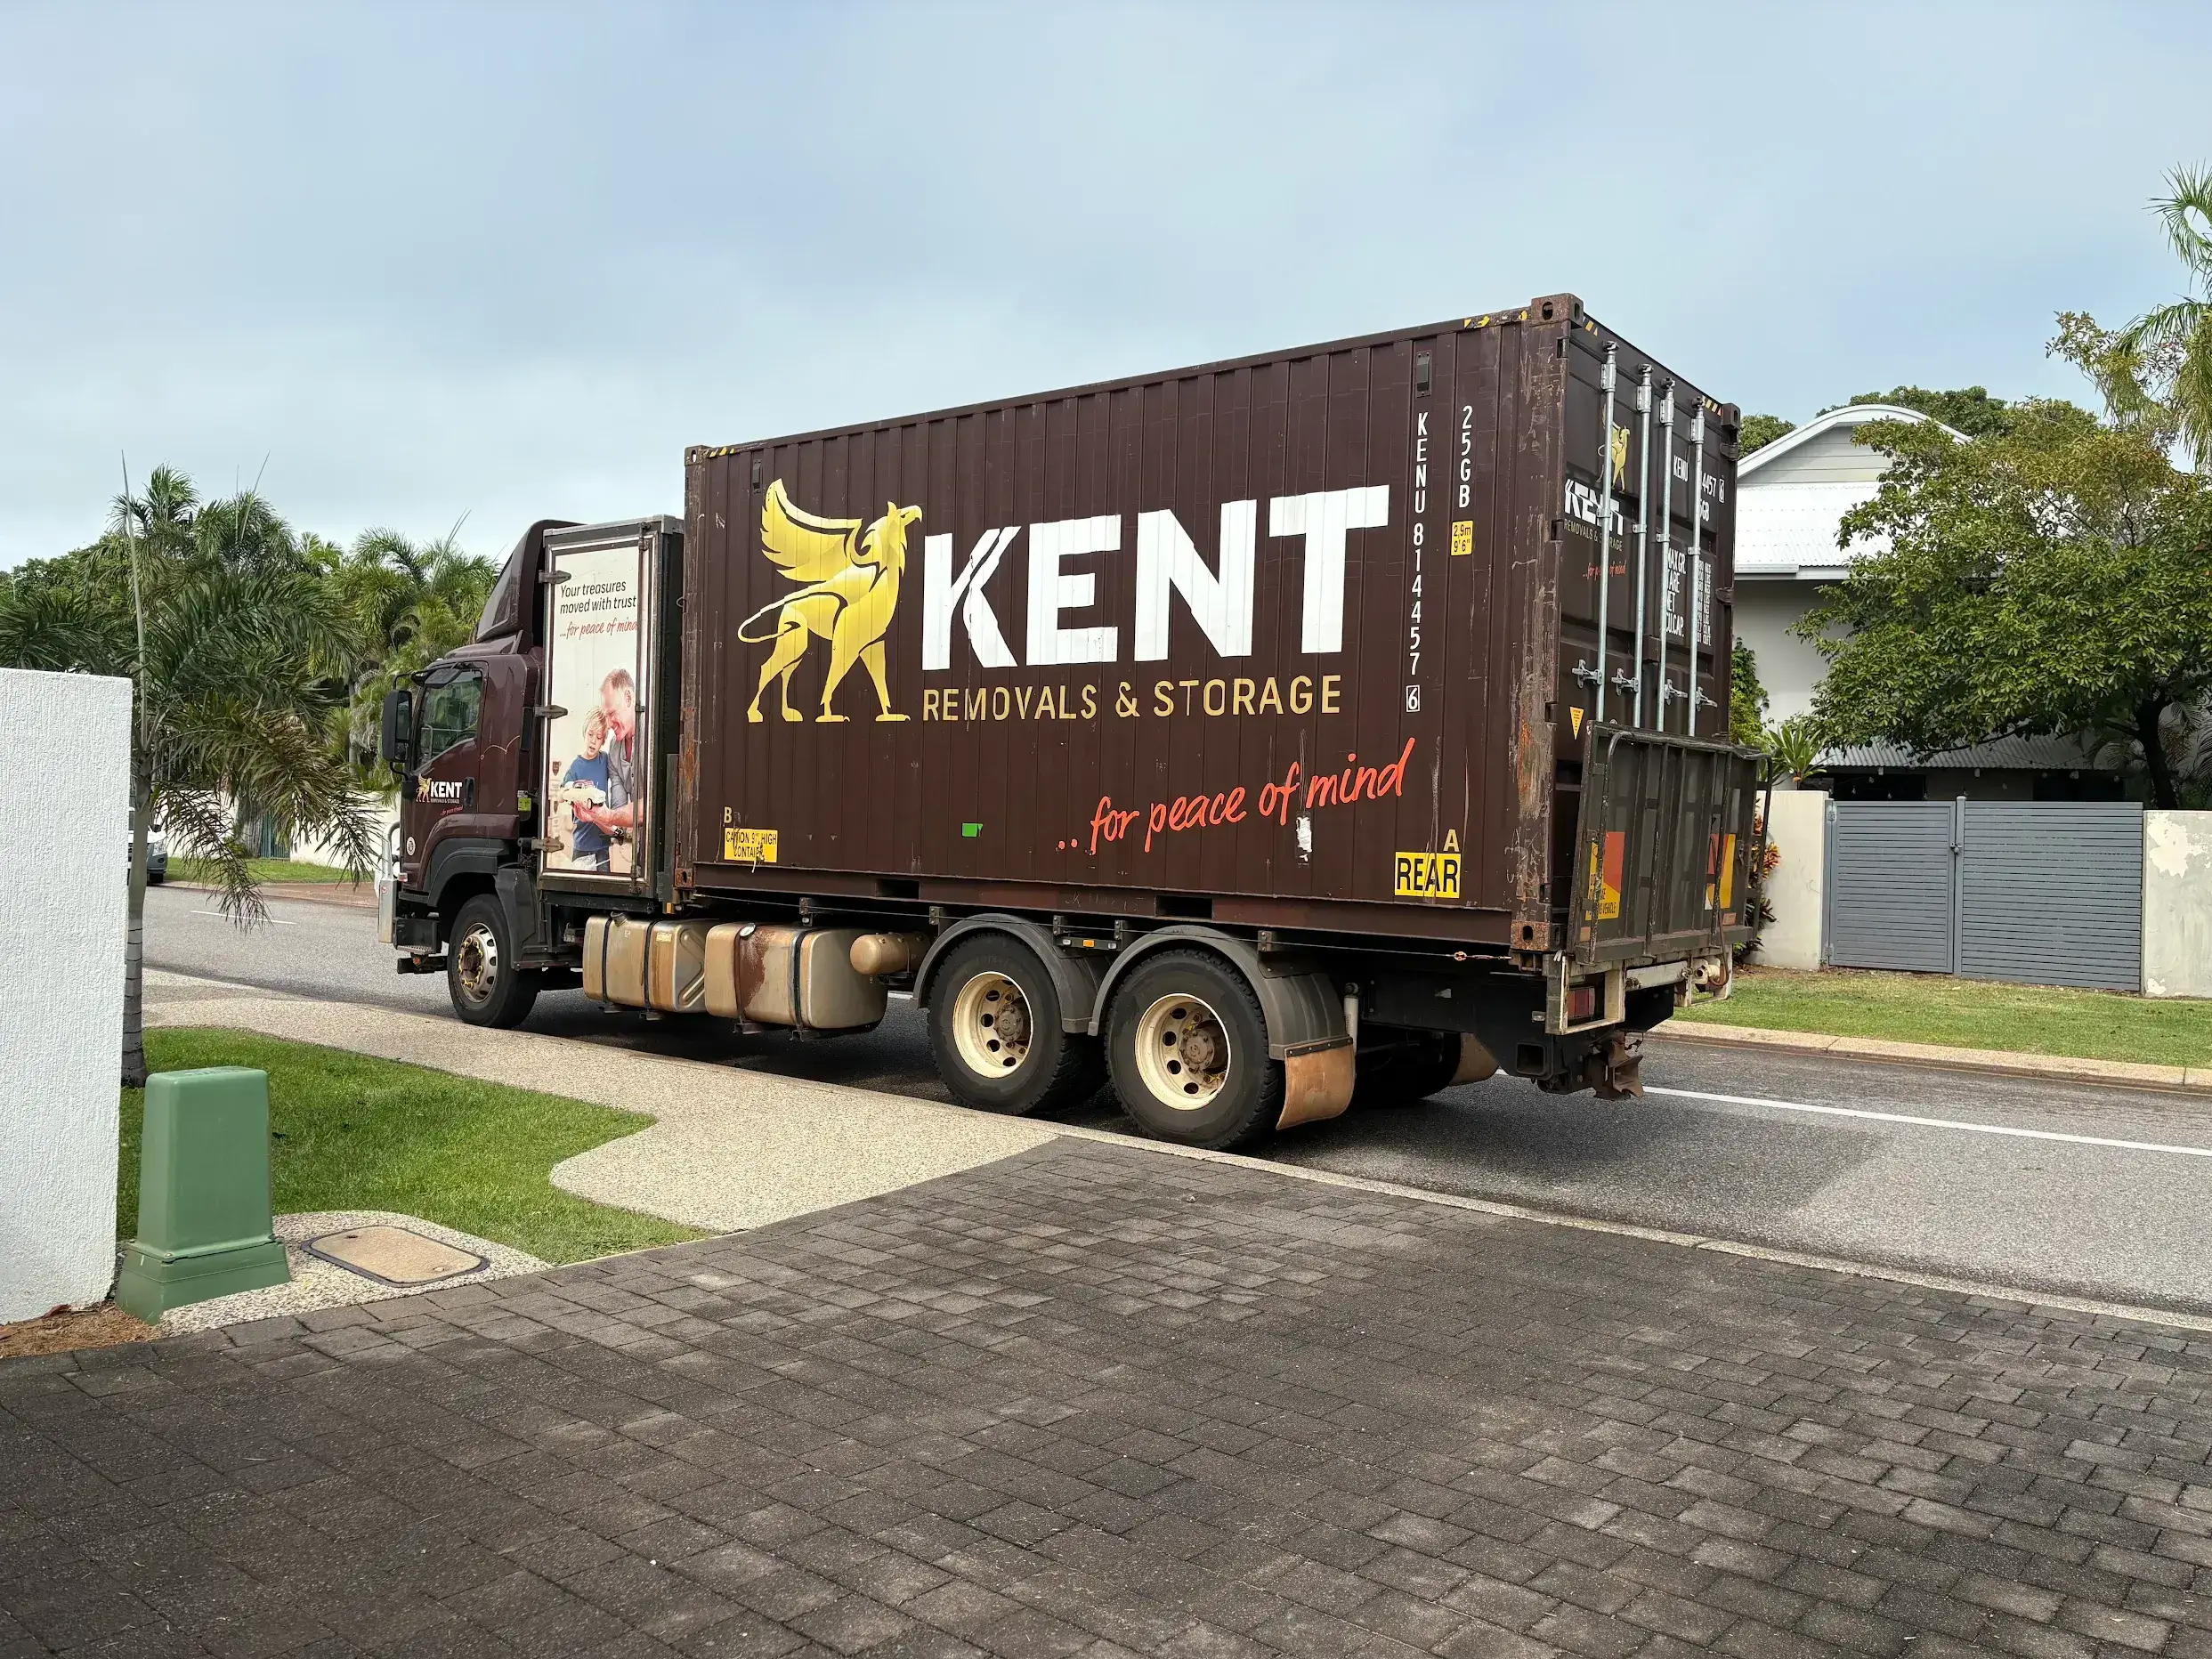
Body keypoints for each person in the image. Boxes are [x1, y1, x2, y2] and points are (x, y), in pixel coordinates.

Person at [573, 668, 638, 848]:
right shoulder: (614, 749)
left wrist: (607, 816)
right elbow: (618, 813)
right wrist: (596, 815)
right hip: (640, 852)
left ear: (628, 698)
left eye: (611, 714)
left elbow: (649, 806)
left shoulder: (652, 739)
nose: (608, 725)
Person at [560, 710, 612, 872]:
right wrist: (571, 792)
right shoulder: (576, 766)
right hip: (581, 845)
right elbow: (561, 794)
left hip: (603, 845)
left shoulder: (605, 760)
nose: (593, 741)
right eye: (590, 734)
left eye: (598, 738)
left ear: (603, 741)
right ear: (585, 732)